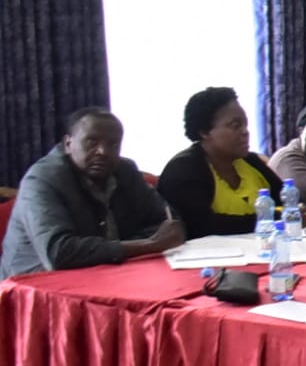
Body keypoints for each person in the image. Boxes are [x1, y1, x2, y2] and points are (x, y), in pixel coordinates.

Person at [1, 108, 184, 279]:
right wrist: (147, 245)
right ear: (68, 144)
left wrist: (135, 244)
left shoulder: (125, 171)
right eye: (91, 141)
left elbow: (167, 222)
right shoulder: (42, 180)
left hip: (105, 274)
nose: (103, 152)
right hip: (32, 289)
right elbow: (60, 252)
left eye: (113, 144)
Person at [158, 86, 283, 238]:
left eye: (246, 125)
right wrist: (275, 219)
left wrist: (288, 214)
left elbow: (288, 201)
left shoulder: (251, 161)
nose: (245, 132)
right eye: (236, 126)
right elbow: (203, 226)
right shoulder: (183, 170)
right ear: (204, 132)